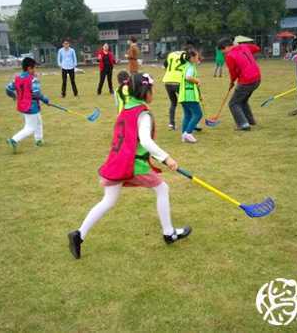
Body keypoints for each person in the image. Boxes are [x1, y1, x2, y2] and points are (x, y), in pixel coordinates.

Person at [67, 73, 191, 259]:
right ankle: (169, 233)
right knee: (162, 188)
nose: (154, 92)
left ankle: (78, 235)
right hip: (131, 165)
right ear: (145, 90)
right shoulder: (143, 113)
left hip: (116, 162)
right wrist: (167, 158)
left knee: (108, 201)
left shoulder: (126, 109)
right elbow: (147, 142)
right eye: (152, 88)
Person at [5, 57, 51, 153]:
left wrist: (14, 96)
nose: (35, 70)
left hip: (24, 105)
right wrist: (46, 100)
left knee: (38, 122)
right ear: (29, 68)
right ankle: (14, 140)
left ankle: (38, 140)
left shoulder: (17, 78)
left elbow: (8, 89)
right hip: (31, 106)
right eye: (34, 68)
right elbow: (36, 93)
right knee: (30, 127)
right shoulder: (33, 79)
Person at [218, 37, 262, 131]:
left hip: (247, 80)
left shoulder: (229, 55)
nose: (223, 53)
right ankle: (250, 121)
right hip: (257, 78)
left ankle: (243, 124)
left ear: (226, 47)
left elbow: (233, 72)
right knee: (243, 101)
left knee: (233, 103)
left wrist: (232, 82)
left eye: (223, 50)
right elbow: (257, 48)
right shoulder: (244, 46)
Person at [178, 49, 203, 143]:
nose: (198, 57)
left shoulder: (186, 65)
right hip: (189, 95)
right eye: (197, 56)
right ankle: (188, 133)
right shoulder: (191, 67)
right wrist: (197, 81)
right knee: (198, 114)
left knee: (188, 115)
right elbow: (188, 77)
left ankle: (184, 135)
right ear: (192, 58)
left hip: (183, 95)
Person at [162, 50, 187, 130]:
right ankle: (188, 122)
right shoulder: (186, 55)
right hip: (178, 81)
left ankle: (171, 124)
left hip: (167, 81)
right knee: (186, 102)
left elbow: (165, 65)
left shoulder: (171, 54)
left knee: (173, 103)